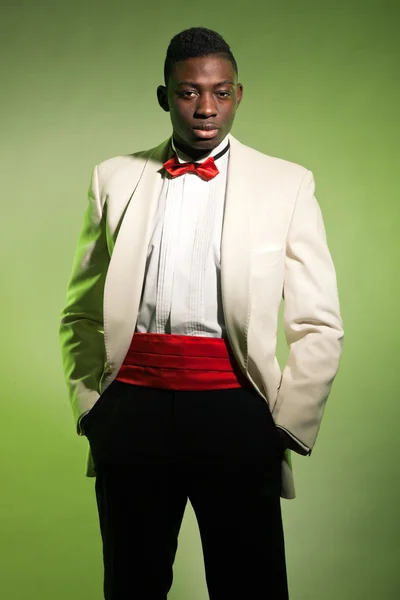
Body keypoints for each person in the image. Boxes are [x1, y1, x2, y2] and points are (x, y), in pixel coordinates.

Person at [59, 26, 344, 600]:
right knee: (131, 583)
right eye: (188, 92)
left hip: (238, 414)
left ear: (238, 94)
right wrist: (93, 408)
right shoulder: (113, 178)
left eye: (220, 91)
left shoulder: (287, 184)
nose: (205, 107)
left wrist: (284, 424)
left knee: (251, 584)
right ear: (165, 97)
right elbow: (81, 311)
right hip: (131, 412)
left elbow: (318, 322)